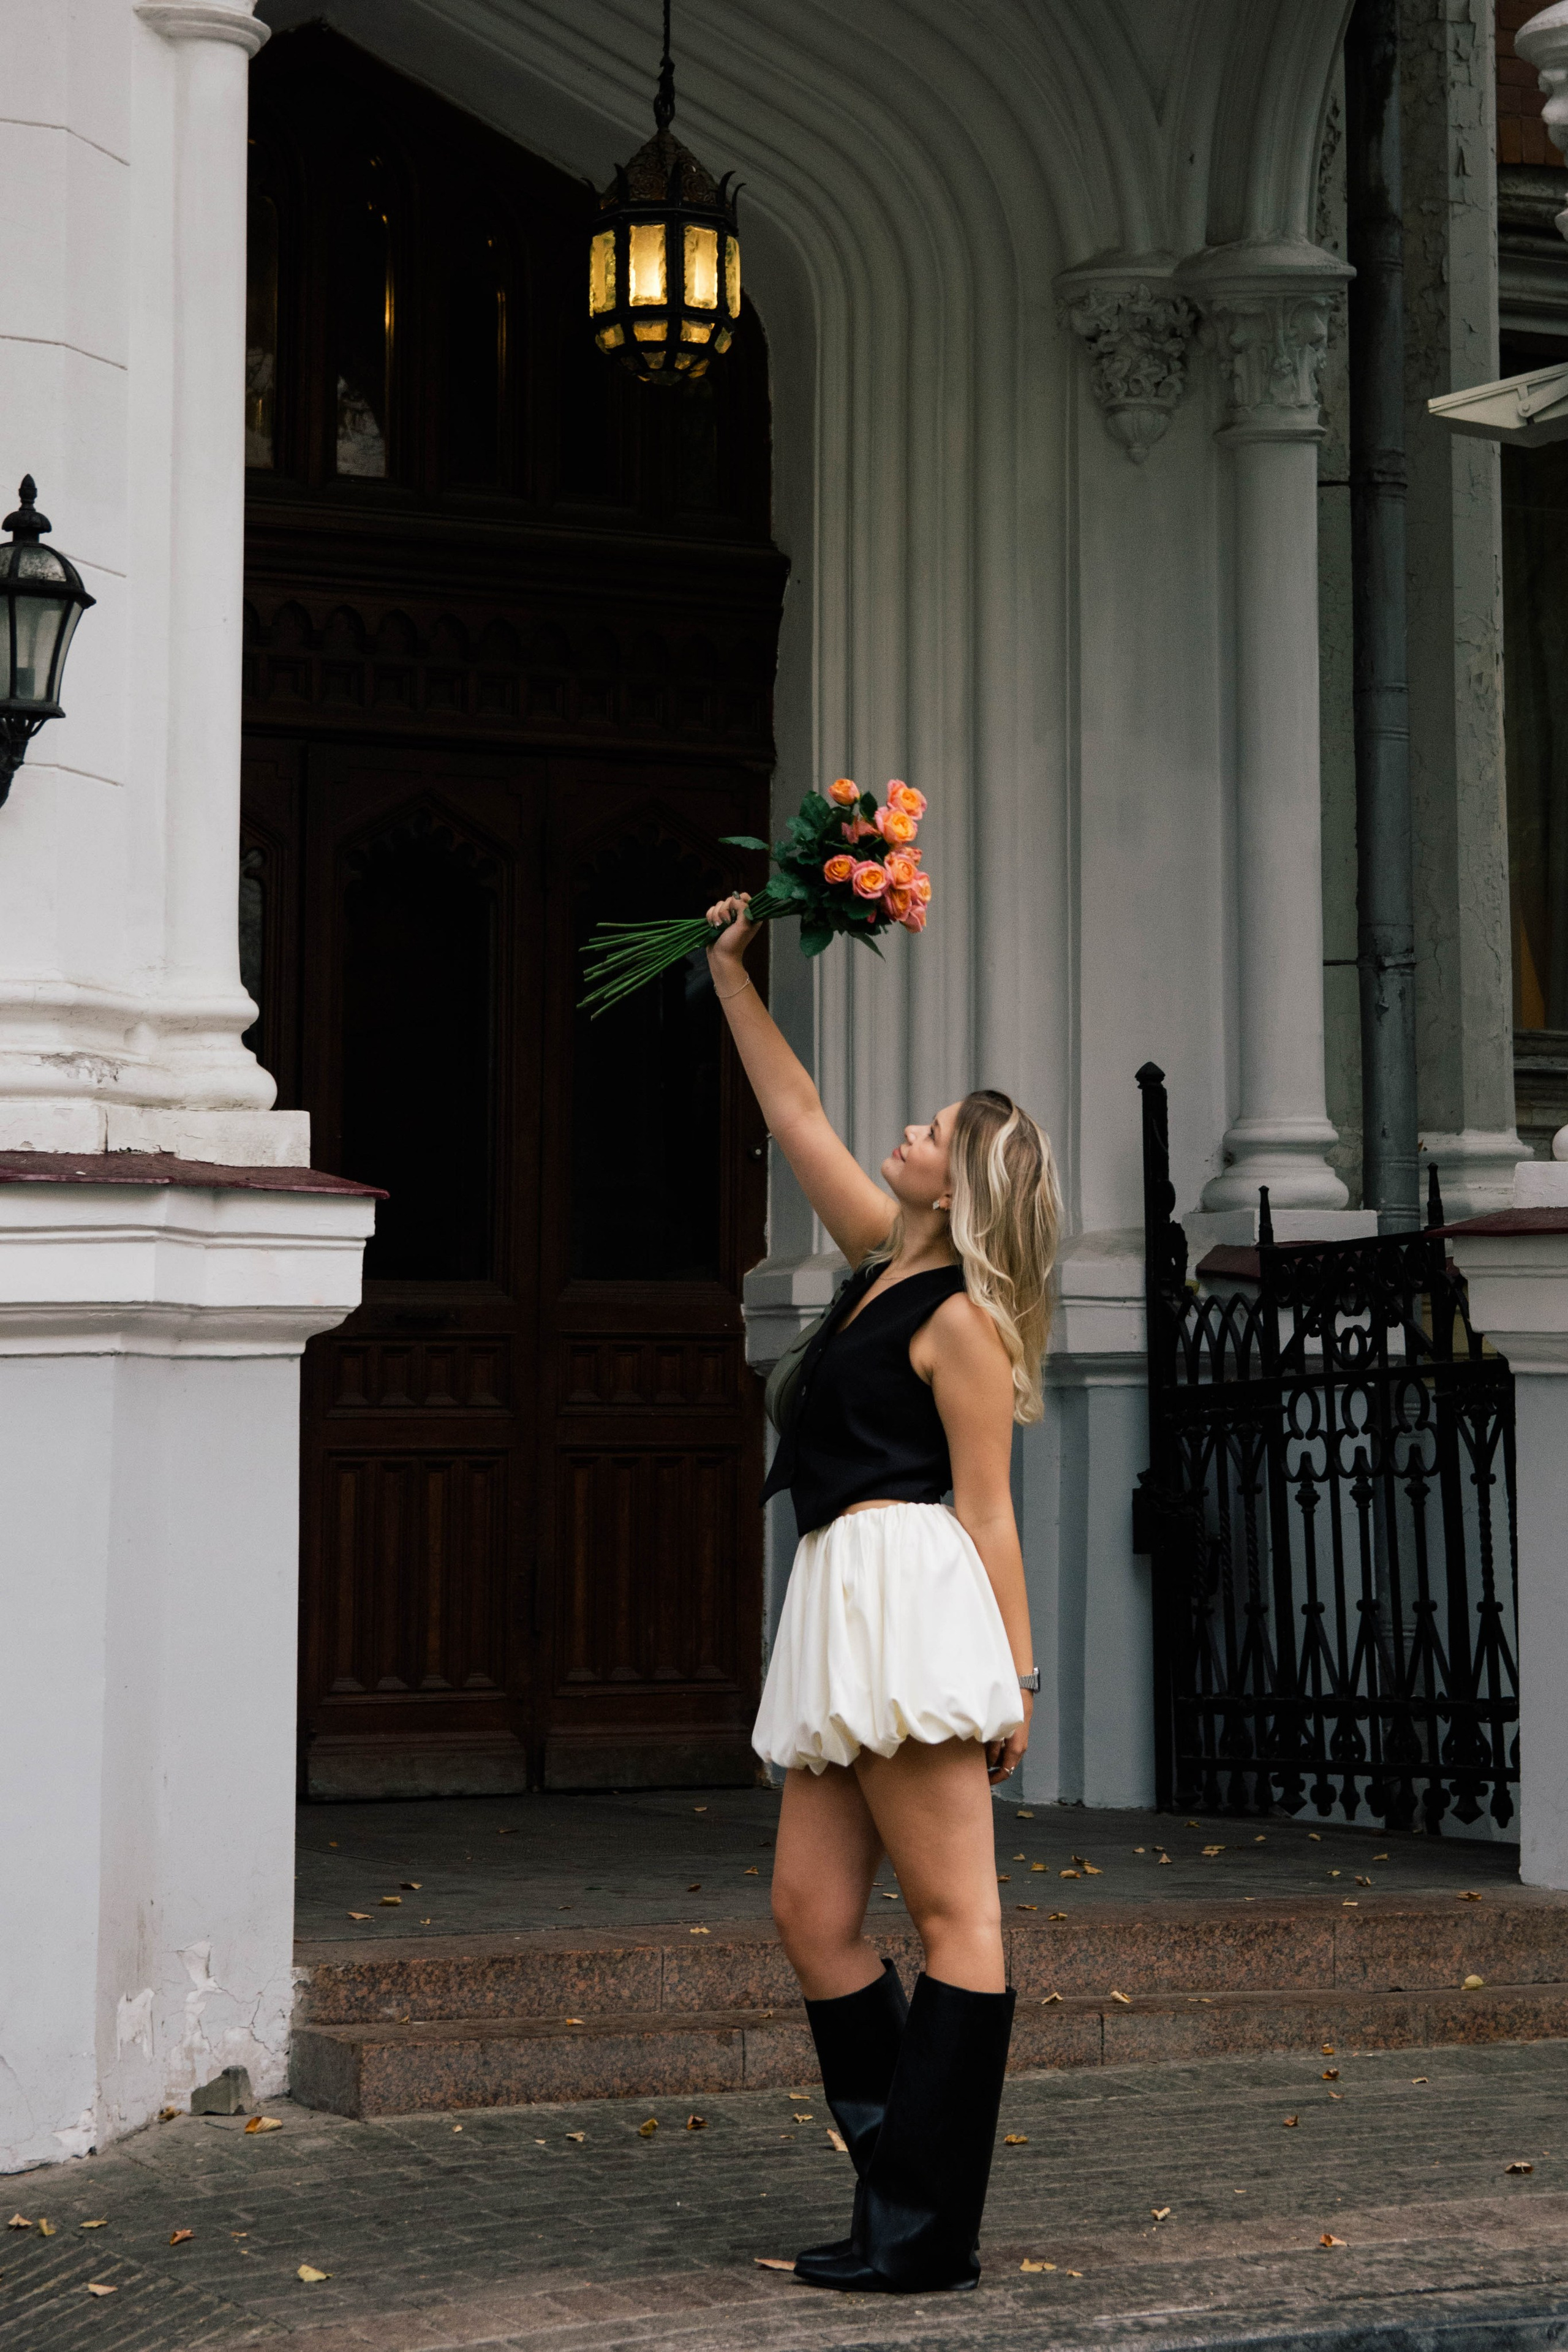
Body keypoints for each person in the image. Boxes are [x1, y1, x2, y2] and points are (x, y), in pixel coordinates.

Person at [703, 891, 1062, 2297]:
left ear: (958, 1184)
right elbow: (795, 1113)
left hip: (911, 1601)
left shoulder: (962, 1323)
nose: (902, 1137)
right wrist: (730, 974)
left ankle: (922, 2230)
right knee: (809, 1910)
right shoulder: (873, 1265)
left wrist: (1014, 1681)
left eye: (929, 1133)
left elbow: (988, 1512)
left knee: (958, 1917)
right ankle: (895, 2199)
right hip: (839, 1599)